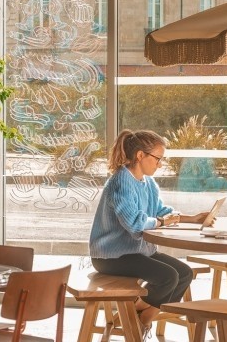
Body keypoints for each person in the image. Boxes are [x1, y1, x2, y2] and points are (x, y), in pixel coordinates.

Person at [88, 130, 211, 329]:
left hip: (137, 252)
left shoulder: (149, 183)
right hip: (111, 257)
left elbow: (160, 211)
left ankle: (141, 317)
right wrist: (161, 222)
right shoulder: (120, 182)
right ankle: (137, 321)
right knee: (168, 277)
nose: (160, 164)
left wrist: (193, 219)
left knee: (185, 273)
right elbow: (135, 224)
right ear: (140, 155)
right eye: (157, 159)